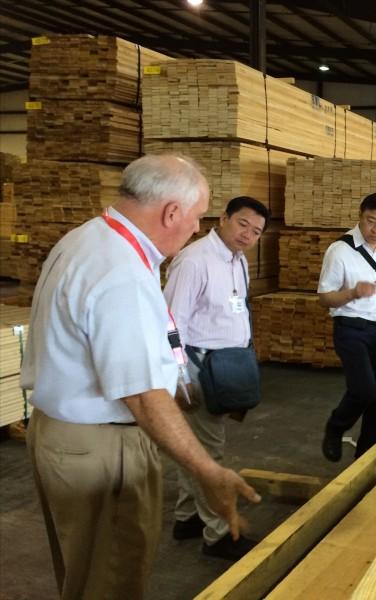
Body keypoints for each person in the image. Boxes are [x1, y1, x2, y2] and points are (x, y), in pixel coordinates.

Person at [21, 155, 260, 600]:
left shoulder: (89, 239)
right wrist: (208, 472)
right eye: (195, 217)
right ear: (171, 212)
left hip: (64, 434)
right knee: (113, 581)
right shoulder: (121, 273)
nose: (195, 228)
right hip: (103, 449)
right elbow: (144, 396)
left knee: (85, 576)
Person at [163, 195, 269, 560]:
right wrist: (179, 378)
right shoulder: (194, 261)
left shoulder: (238, 261)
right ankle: (219, 533)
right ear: (222, 218)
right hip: (198, 368)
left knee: (196, 445)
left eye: (256, 231)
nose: (247, 235)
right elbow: (171, 323)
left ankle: (187, 517)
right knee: (210, 451)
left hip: (225, 367)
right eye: (242, 224)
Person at [317, 192, 376, 462]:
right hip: (351, 329)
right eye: (371, 221)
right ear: (360, 216)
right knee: (365, 389)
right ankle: (336, 426)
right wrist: (353, 293)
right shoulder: (340, 250)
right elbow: (324, 297)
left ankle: (364, 458)